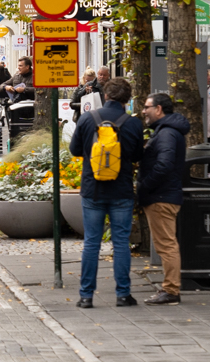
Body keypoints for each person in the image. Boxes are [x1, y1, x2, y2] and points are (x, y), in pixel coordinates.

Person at [68, 77, 143, 308]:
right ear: (127, 99)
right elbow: (138, 155)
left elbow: (74, 150)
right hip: (121, 190)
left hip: (93, 189)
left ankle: (86, 296)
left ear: (106, 95)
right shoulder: (133, 123)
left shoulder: (87, 118)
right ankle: (123, 294)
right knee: (120, 243)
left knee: (92, 242)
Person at [137, 92, 190, 305]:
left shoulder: (166, 133)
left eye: (147, 107)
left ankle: (171, 290)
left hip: (161, 196)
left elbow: (164, 165)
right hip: (164, 194)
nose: (144, 111)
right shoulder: (167, 131)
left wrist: (144, 185)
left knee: (166, 245)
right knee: (166, 243)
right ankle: (170, 288)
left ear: (158, 109)